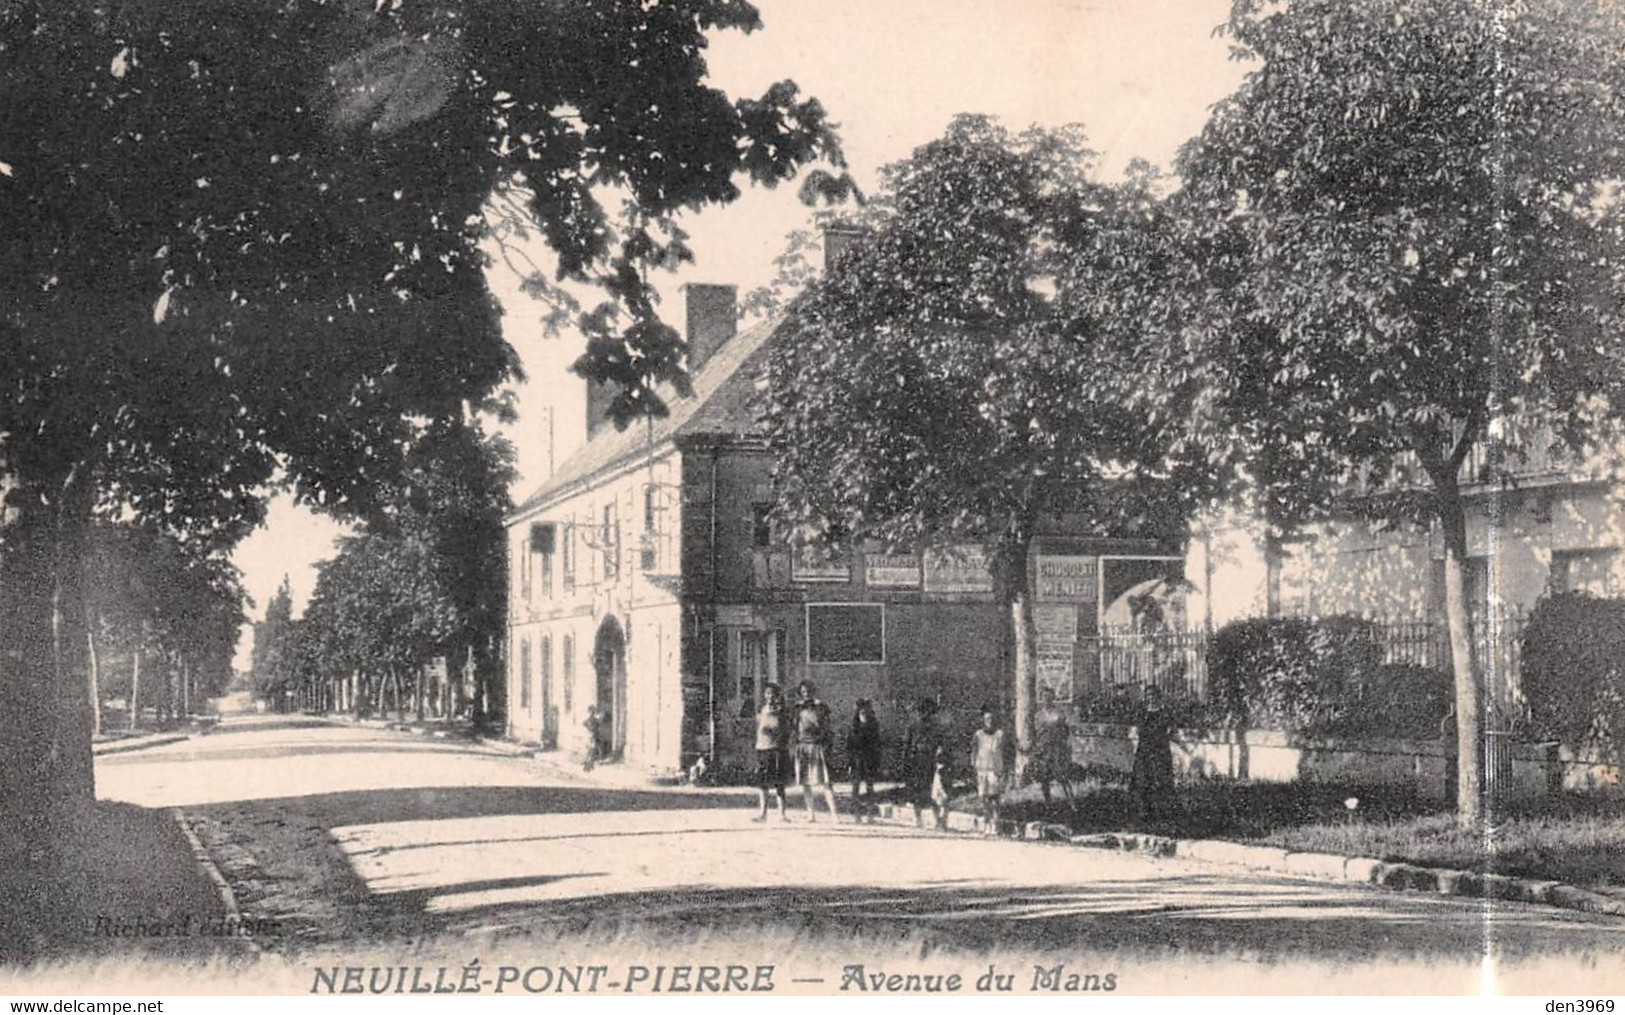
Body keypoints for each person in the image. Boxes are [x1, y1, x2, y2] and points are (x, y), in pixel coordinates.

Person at [793, 680, 841, 823]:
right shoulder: (797, 708)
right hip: (803, 746)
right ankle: (810, 814)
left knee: (826, 781)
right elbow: (794, 726)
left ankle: (834, 814)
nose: (805, 693)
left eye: (808, 691)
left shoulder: (821, 707)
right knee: (805, 782)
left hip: (818, 746)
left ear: (813, 692)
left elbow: (827, 727)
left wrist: (826, 745)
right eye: (803, 691)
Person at [1130, 686, 1176, 821]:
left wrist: (1163, 736)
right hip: (1144, 750)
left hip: (1160, 750)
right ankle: (1143, 811)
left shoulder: (1165, 713)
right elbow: (1139, 730)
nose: (1150, 698)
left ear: (1158, 697)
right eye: (1148, 695)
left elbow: (1171, 731)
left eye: (1153, 695)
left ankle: (1162, 812)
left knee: (1160, 779)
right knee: (1143, 779)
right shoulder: (1142, 713)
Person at [901, 697, 946, 830]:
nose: (925, 714)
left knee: (934, 792)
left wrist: (940, 756)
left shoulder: (936, 728)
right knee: (917, 792)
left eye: (928, 711)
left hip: (931, 763)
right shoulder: (912, 727)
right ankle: (918, 818)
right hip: (916, 763)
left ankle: (937, 820)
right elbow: (907, 746)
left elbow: (941, 745)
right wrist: (905, 763)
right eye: (922, 711)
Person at [1033, 687, 1078, 813]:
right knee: (1044, 778)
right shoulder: (1038, 715)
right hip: (1044, 749)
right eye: (1044, 697)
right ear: (1041, 699)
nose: (1046, 699)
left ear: (1053, 698)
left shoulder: (1059, 714)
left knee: (1063, 777)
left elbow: (1066, 731)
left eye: (1049, 697)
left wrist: (1065, 746)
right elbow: (1037, 733)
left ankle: (1072, 804)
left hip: (1057, 749)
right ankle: (1048, 804)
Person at [752, 683, 790, 822]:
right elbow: (758, 727)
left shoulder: (782, 711)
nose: (770, 697)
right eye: (768, 693)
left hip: (777, 749)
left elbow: (785, 730)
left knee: (779, 783)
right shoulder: (761, 709)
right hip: (763, 748)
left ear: (778, 696)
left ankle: (782, 814)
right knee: (763, 783)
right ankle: (763, 813)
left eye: (773, 694)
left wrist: (775, 733)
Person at [971, 705, 1007, 835]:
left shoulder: (1000, 734)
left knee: (995, 798)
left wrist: (1005, 770)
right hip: (982, 770)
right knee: (983, 798)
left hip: (995, 769)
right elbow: (974, 751)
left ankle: (995, 824)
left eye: (991, 718)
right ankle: (986, 823)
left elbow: (1006, 752)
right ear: (983, 720)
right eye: (987, 719)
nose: (989, 721)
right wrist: (974, 765)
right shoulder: (978, 734)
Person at [847, 699, 883, 823]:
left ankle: (870, 814)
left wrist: (877, 761)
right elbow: (849, 746)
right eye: (861, 712)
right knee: (855, 786)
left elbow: (877, 745)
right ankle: (856, 814)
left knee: (870, 787)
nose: (864, 715)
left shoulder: (873, 726)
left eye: (866, 712)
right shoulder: (854, 727)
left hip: (869, 759)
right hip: (857, 760)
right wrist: (850, 762)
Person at [582, 705, 603, 772]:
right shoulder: (592, 719)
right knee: (592, 748)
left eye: (592, 712)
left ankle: (590, 762)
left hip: (593, 735)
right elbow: (584, 723)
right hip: (591, 735)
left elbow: (584, 723)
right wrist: (590, 729)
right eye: (591, 711)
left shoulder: (592, 719)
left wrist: (590, 729)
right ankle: (589, 764)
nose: (591, 713)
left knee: (593, 748)